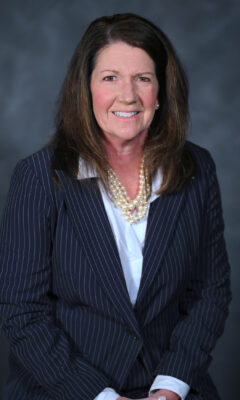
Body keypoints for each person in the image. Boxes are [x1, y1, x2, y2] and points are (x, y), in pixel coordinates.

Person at [0, 13, 231, 400]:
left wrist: (171, 385)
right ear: (86, 89)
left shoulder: (196, 169)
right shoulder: (40, 178)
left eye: (143, 78)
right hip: (67, 389)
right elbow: (22, 311)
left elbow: (210, 290)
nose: (128, 95)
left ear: (161, 93)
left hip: (170, 385)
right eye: (110, 78)